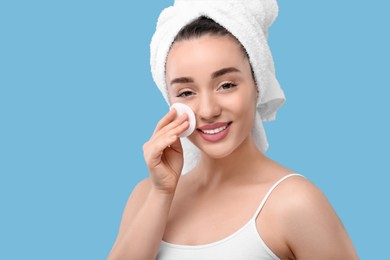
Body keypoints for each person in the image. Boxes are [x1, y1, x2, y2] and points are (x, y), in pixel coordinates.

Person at [108, 1, 358, 259]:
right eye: (186, 92)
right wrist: (162, 194)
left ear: (257, 84)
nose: (207, 110)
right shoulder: (146, 196)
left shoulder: (295, 203)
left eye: (226, 85)